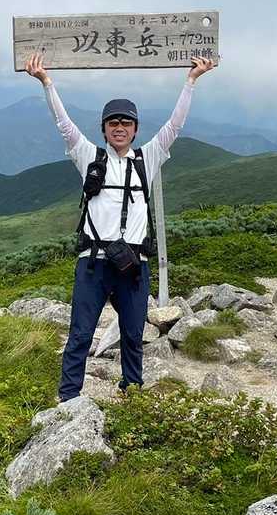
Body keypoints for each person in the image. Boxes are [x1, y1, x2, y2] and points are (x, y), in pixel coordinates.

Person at [24, 51, 216, 401]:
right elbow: (65, 125)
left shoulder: (148, 159)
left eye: (126, 123)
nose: (119, 128)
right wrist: (46, 82)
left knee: (132, 334)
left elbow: (174, 127)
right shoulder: (89, 157)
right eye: (113, 123)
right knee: (80, 334)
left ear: (135, 129)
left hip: (134, 266)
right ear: (104, 129)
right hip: (93, 263)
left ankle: (133, 396)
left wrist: (191, 81)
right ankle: (69, 401)